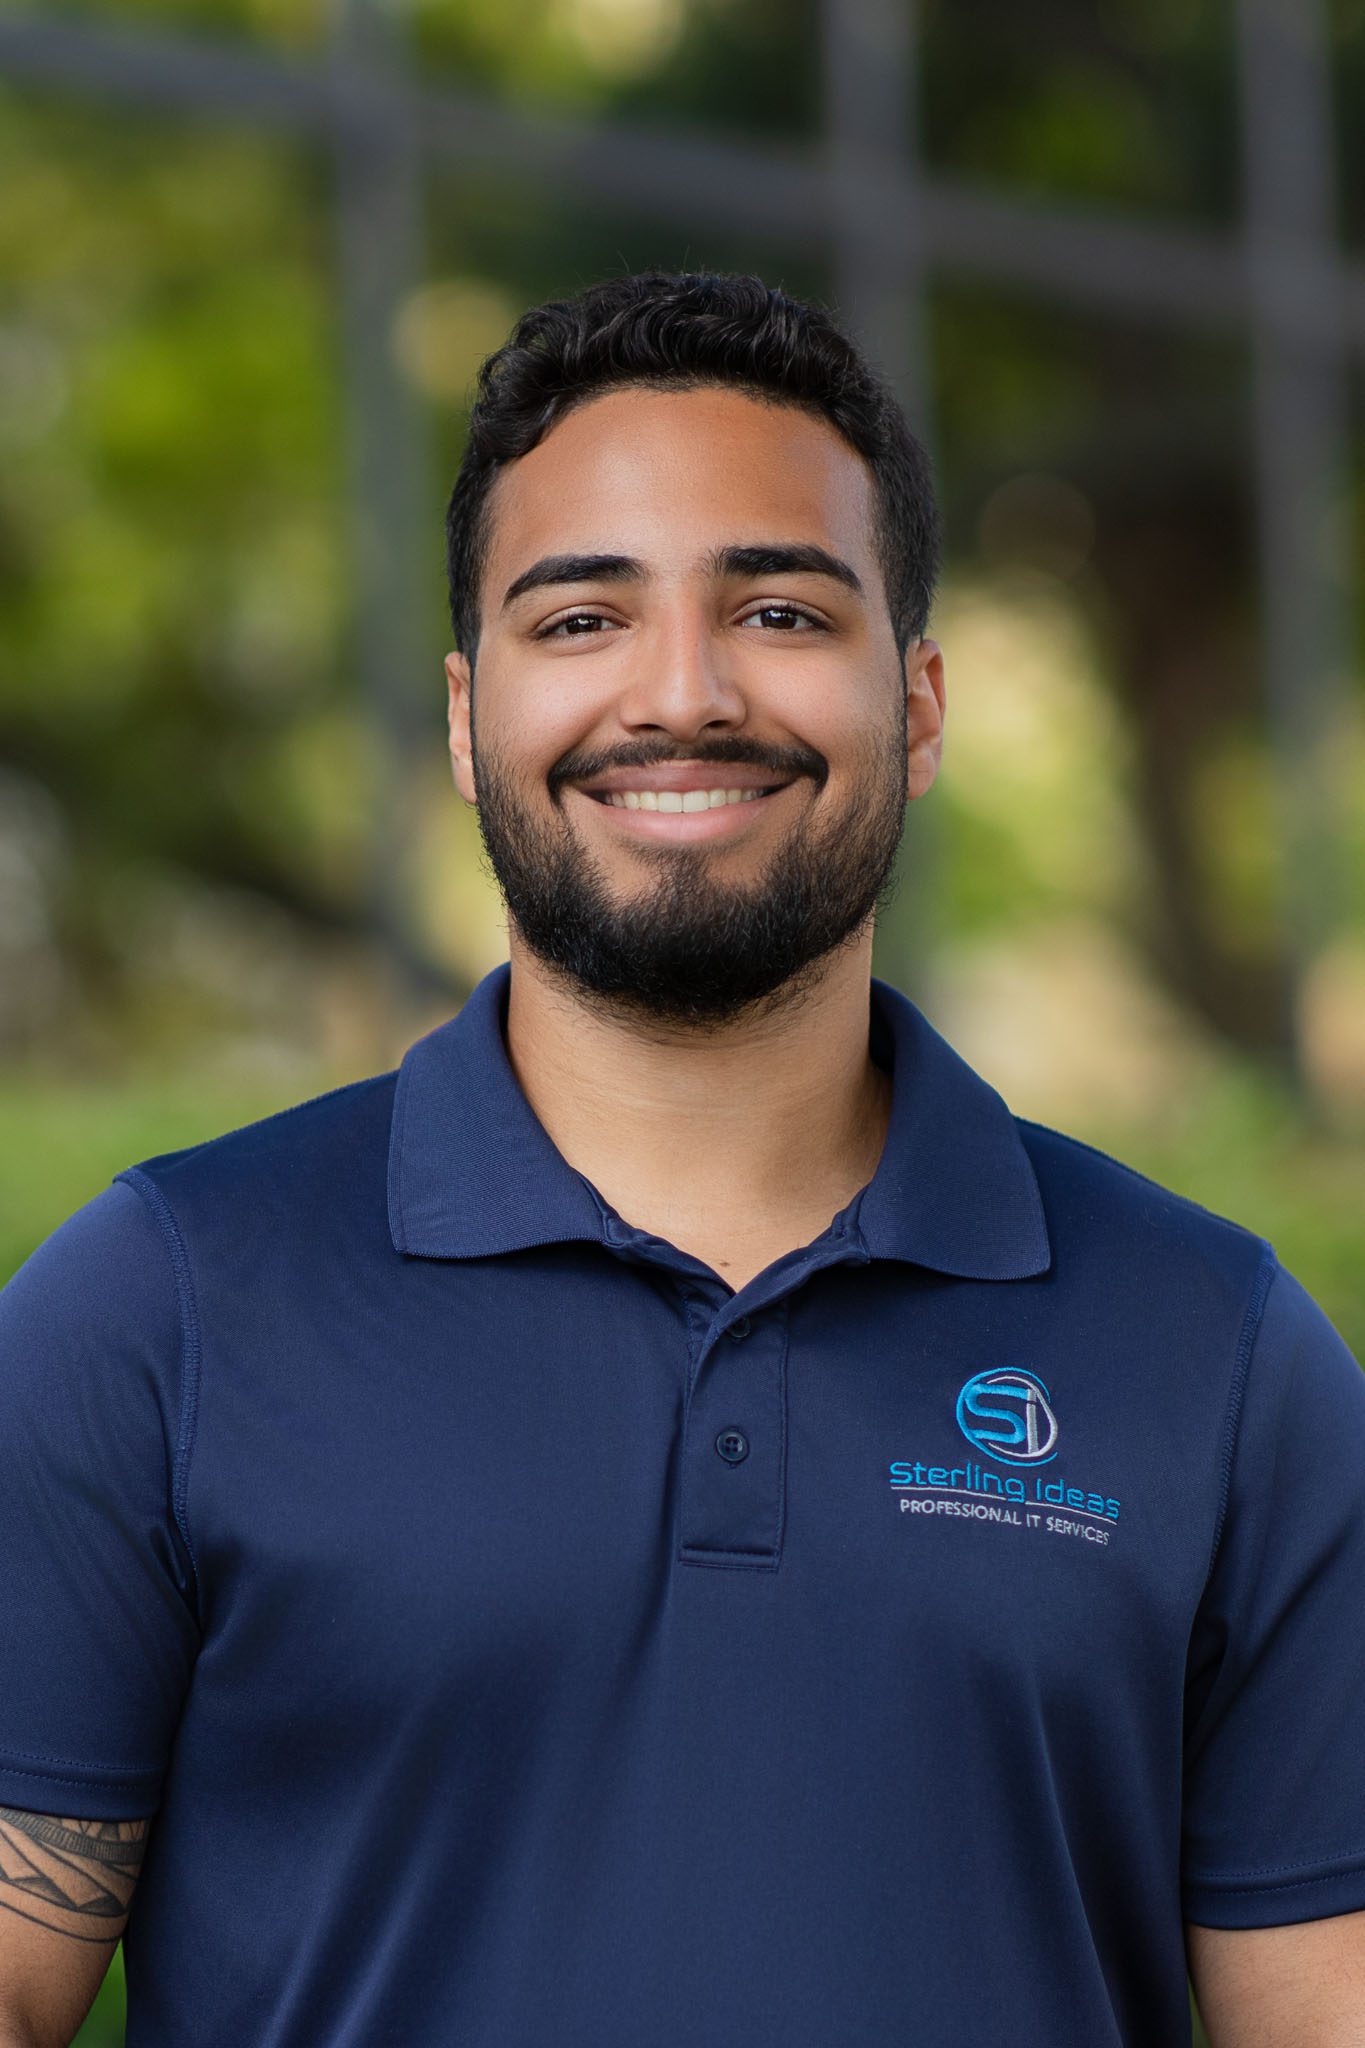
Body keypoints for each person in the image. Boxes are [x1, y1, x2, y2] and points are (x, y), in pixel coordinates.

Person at [0, 270, 1362, 2048]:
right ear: (466, 713)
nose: (682, 693)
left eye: (781, 607)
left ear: (922, 702)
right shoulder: (159, 1306)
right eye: (579, 621)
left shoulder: (1222, 1355)